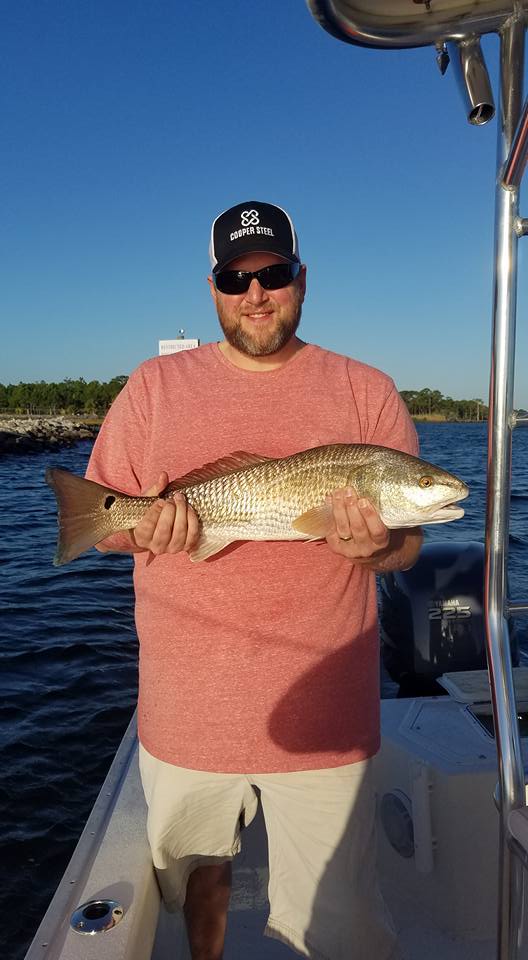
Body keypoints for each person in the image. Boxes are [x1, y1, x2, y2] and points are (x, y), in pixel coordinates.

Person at [86, 200, 422, 960]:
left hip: (328, 723)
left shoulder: (367, 390)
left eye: (274, 273)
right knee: (200, 884)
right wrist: (143, 529)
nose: (255, 293)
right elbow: (105, 524)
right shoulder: (153, 387)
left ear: (302, 278)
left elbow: (407, 549)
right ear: (212, 287)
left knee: (340, 922)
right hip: (185, 715)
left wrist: (377, 548)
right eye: (235, 278)